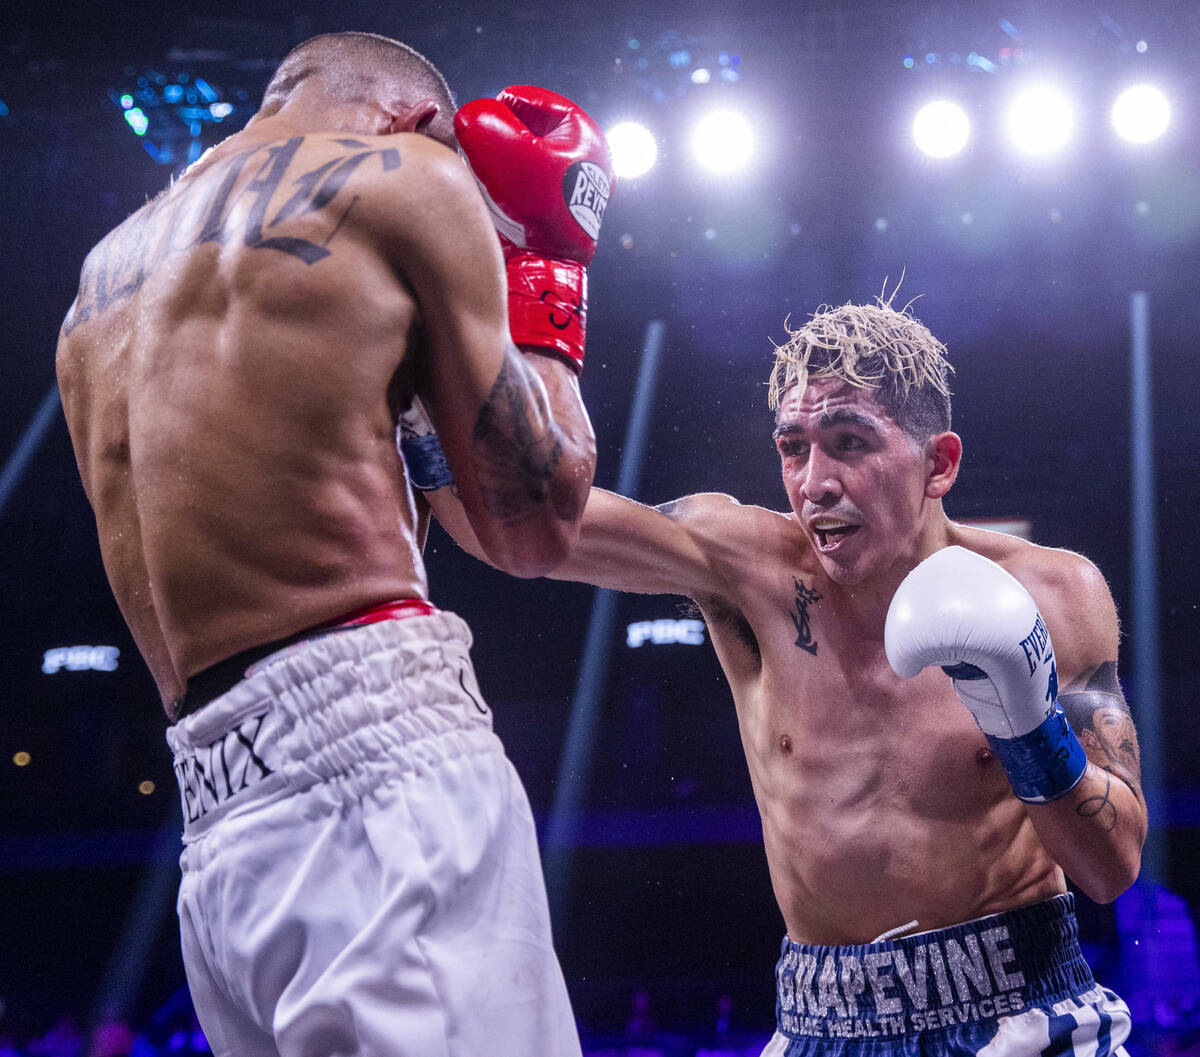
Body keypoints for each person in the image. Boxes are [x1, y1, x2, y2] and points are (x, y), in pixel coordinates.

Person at [56, 30, 615, 1057]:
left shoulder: (99, 283)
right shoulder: (408, 179)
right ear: (412, 120)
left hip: (217, 841)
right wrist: (545, 263)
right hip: (382, 782)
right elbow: (537, 524)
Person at [418, 292, 1147, 1055]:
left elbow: (1112, 865)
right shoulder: (747, 569)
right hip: (822, 1022)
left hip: (1020, 1008)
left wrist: (1028, 723)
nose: (814, 481)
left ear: (939, 463)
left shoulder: (1056, 592)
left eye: (850, 442)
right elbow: (502, 523)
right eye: (794, 447)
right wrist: (418, 375)